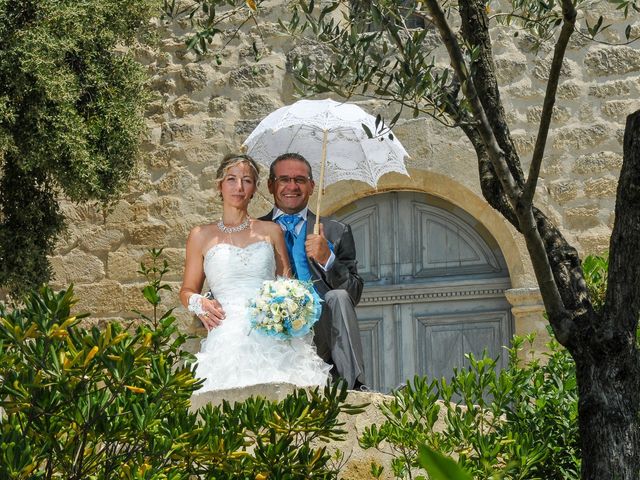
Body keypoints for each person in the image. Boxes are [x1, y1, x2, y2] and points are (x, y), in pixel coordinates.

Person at [179, 153, 331, 392]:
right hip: (226, 332)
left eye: (247, 181)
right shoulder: (200, 235)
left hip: (271, 331)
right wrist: (199, 303)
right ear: (220, 185)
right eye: (231, 179)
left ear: (254, 188)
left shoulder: (272, 231)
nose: (239, 187)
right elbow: (187, 291)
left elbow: (286, 284)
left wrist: (291, 306)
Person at [259, 152, 367, 390]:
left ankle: (352, 387)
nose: (292, 186)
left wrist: (328, 259)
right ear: (270, 185)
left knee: (338, 296)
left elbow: (354, 293)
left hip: (319, 330)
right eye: (284, 179)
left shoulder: (336, 230)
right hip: (271, 329)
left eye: (300, 180)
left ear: (311, 186)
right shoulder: (254, 230)